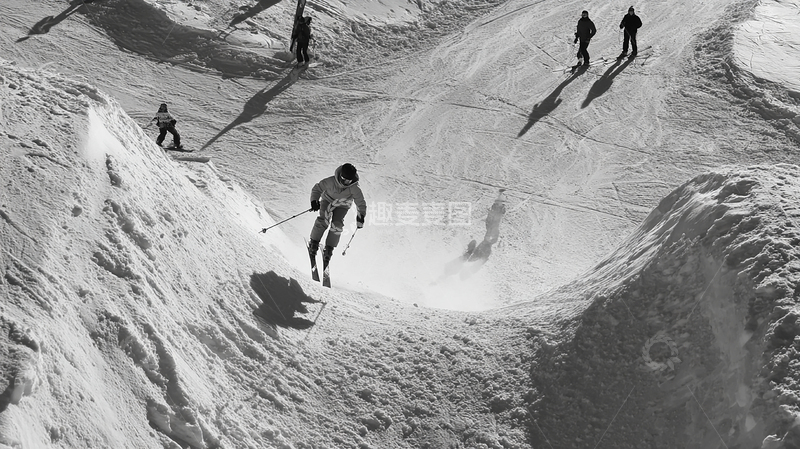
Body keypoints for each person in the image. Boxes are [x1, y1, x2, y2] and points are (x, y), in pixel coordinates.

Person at [308, 163, 367, 265]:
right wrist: (314, 201)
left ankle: (329, 249)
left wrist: (361, 216)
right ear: (340, 176)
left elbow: (360, 202)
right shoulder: (331, 181)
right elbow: (317, 188)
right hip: (327, 201)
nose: (346, 182)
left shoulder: (354, 187)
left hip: (342, 206)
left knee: (337, 225)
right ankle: (314, 243)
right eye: (344, 179)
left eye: (349, 180)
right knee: (323, 220)